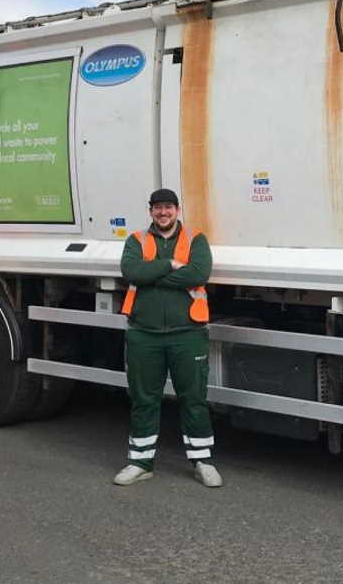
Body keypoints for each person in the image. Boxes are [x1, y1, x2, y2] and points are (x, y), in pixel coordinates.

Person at [114, 188, 221, 488]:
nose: (163, 213)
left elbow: (198, 274)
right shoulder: (136, 240)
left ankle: (202, 461)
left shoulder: (195, 239)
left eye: (168, 207)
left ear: (177, 210)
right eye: (158, 208)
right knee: (144, 399)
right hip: (143, 335)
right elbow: (131, 271)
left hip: (188, 334)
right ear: (150, 211)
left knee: (194, 398)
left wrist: (152, 275)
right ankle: (140, 462)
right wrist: (170, 265)